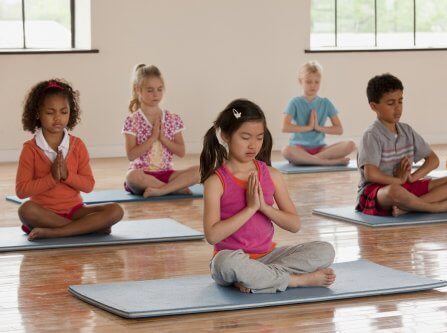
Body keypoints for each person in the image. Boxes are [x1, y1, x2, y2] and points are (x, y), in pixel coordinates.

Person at [200, 98, 335, 293]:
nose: (253, 145)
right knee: (224, 263)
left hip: (268, 256)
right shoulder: (216, 182)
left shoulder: (272, 175)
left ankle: (258, 278)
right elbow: (212, 236)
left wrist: (264, 207)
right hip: (232, 259)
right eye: (245, 137)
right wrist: (250, 208)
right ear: (226, 135)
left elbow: (294, 225)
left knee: (325, 250)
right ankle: (295, 280)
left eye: (259, 137)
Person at [16, 79, 123, 240]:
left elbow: (88, 186)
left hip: (75, 211)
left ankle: (58, 231)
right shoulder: (30, 149)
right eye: (50, 112)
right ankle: (87, 229)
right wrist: (52, 178)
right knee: (25, 210)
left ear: (70, 113)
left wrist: (67, 176)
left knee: (116, 210)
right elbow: (21, 191)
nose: (58, 118)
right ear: (38, 113)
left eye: (63, 112)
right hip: (44, 213)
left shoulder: (77, 145)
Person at [356, 74, 447, 217]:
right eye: (390, 103)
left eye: (400, 102)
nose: (397, 108)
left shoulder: (407, 130)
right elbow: (370, 174)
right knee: (394, 191)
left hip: (405, 187)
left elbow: (433, 160)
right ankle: (435, 207)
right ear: (374, 106)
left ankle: (408, 207)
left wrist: (413, 177)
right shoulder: (372, 135)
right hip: (379, 192)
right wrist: (397, 180)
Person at [123, 64, 199, 197]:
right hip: (142, 175)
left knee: (201, 170)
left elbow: (181, 152)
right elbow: (131, 155)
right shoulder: (132, 121)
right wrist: (152, 138)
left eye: (159, 89)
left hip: (167, 174)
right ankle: (175, 189)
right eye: (150, 90)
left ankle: (162, 190)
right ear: (138, 90)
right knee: (131, 177)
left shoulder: (173, 119)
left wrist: (163, 138)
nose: (156, 94)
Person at [281, 60, 355, 165]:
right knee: (286, 150)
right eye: (308, 82)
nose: (313, 86)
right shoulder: (294, 102)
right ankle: (327, 163)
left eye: (316, 82)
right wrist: (309, 127)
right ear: (300, 81)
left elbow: (339, 129)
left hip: (321, 149)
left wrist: (318, 127)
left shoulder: (326, 103)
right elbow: (285, 127)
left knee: (350, 144)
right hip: (299, 148)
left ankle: (309, 160)